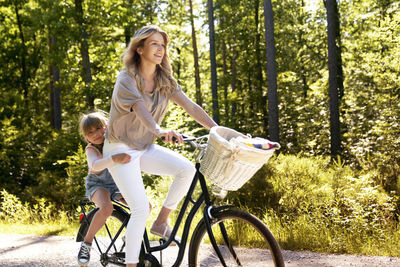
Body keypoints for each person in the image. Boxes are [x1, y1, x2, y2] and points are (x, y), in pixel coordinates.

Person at [103, 25, 218, 266]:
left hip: (143, 148)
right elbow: (140, 108)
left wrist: (218, 132)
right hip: (120, 149)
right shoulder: (126, 78)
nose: (160, 49)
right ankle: (132, 264)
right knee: (140, 208)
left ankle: (161, 222)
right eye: (155, 43)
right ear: (140, 48)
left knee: (186, 169)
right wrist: (159, 130)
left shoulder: (165, 81)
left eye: (163, 45)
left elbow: (192, 107)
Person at [77, 112, 131, 267]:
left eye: (99, 128)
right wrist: (114, 159)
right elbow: (94, 165)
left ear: (106, 127)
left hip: (117, 184)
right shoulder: (91, 149)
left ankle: (130, 236)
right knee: (107, 208)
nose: (96, 134)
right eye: (90, 132)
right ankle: (86, 244)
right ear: (86, 137)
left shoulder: (113, 141)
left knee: (143, 206)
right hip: (98, 184)